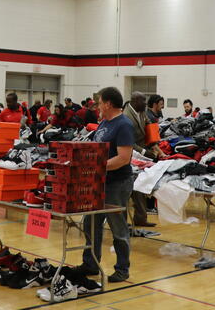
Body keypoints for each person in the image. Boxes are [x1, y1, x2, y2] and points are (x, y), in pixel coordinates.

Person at [79, 87, 133, 283]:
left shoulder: (123, 125)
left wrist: (96, 168)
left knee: (117, 227)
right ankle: (91, 263)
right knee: (90, 223)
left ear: (109, 103)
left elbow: (123, 158)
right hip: (100, 181)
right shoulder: (104, 123)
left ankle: (122, 269)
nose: (98, 106)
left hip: (117, 183)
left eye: (100, 102)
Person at [125, 92, 159, 227]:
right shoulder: (127, 116)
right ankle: (120, 220)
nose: (146, 104)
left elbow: (149, 129)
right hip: (130, 154)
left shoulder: (141, 112)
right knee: (129, 189)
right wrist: (145, 152)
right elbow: (128, 141)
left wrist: (156, 147)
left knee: (138, 187)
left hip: (141, 155)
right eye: (143, 101)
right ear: (135, 101)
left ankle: (140, 218)